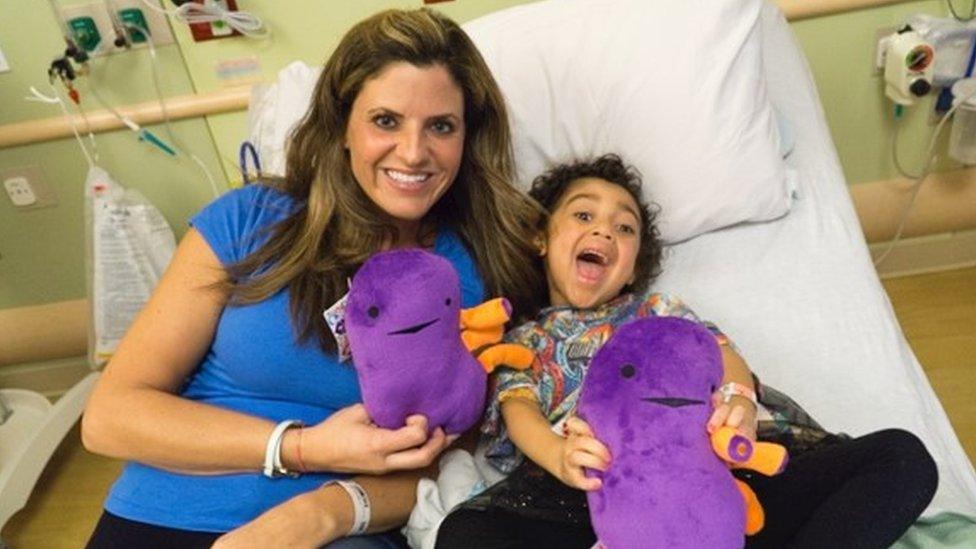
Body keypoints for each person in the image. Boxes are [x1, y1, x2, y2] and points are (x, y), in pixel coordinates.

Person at [81, 8, 545, 548]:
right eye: (386, 121)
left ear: (468, 137)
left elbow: (450, 460)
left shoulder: (480, 265)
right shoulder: (249, 220)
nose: (414, 153)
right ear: (342, 125)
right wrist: (303, 448)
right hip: (168, 507)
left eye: (441, 126)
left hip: (343, 527)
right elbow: (110, 417)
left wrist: (323, 513)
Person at [435, 154, 939, 549]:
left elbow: (722, 354)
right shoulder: (527, 340)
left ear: (633, 267)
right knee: (464, 535)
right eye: (583, 214)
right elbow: (519, 411)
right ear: (541, 238)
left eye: (624, 227)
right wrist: (560, 456)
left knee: (903, 458)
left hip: (714, 476)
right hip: (592, 488)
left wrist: (739, 401)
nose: (604, 230)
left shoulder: (660, 311)